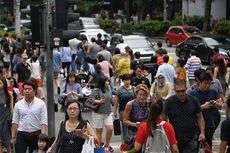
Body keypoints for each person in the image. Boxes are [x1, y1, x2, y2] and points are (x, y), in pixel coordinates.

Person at [163, 79, 205, 153]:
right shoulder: (169, 102)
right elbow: (163, 120)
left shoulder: (194, 101)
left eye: (183, 91)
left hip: (190, 138)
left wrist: (202, 132)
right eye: (178, 91)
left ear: (186, 89)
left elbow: (200, 117)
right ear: (174, 90)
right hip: (174, 139)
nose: (181, 93)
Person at [11, 79, 48, 153]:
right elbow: (15, 122)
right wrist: (13, 137)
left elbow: (43, 121)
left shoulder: (41, 104)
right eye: (25, 89)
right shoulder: (18, 104)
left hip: (36, 135)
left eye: (29, 89)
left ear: (34, 90)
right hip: (21, 135)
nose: (27, 91)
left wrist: (42, 137)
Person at [189, 72, 222, 149]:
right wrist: (202, 107)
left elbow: (220, 106)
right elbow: (189, 109)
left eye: (209, 84)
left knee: (208, 147)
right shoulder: (193, 93)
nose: (207, 85)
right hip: (196, 126)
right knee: (196, 147)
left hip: (210, 125)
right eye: (205, 83)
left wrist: (215, 104)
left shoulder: (213, 92)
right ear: (199, 82)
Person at [89, 75, 114, 152]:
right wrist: (98, 101)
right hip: (98, 113)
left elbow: (111, 97)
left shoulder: (109, 88)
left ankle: (107, 145)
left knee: (110, 129)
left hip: (108, 112)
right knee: (99, 131)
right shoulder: (96, 90)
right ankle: (99, 148)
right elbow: (90, 99)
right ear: (102, 82)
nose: (108, 82)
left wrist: (113, 100)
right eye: (106, 81)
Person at [113, 74, 135, 143]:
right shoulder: (120, 90)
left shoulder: (134, 89)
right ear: (123, 81)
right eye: (126, 80)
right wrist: (115, 112)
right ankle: (125, 143)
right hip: (123, 111)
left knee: (133, 128)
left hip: (133, 111)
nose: (128, 81)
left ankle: (133, 141)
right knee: (125, 128)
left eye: (129, 80)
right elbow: (116, 101)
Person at [0, 76, 14, 153]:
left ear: (4, 84)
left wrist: (13, 120)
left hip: (6, 120)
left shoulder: (9, 94)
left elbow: (11, 109)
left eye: (0, 83)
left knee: (8, 141)